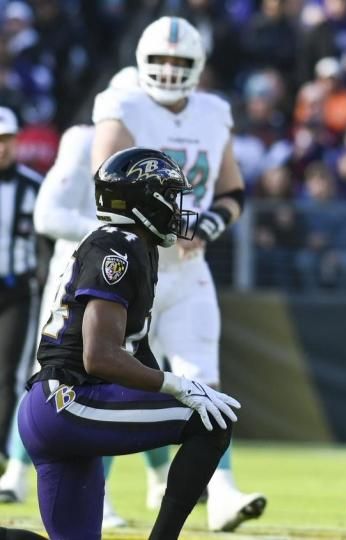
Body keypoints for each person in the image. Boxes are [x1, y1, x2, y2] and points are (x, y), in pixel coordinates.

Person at [90, 17, 263, 532]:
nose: (169, 70)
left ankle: (224, 491)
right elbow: (105, 190)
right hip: (131, 268)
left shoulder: (213, 112)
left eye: (181, 62)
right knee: (111, 380)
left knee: (204, 380)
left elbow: (233, 191)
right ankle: (95, 492)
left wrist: (206, 225)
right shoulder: (122, 104)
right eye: (161, 60)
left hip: (188, 271)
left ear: (199, 66)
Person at [20, 146, 240, 539]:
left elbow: (133, 349)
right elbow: (100, 356)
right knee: (211, 424)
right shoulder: (117, 247)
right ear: (144, 201)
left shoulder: (130, 244)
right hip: (70, 401)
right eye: (171, 197)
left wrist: (169, 385)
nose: (176, 208)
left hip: (52, 405)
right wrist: (178, 384)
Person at [0, 68, 143, 530]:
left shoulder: (156, 142)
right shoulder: (84, 141)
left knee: (126, 369)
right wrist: (109, 236)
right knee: (64, 375)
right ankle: (19, 472)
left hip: (115, 273)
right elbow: (49, 214)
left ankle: (144, 487)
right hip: (82, 279)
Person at [0, 106, 43, 464]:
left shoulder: (33, 186)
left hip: (16, 289)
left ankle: (2, 450)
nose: (1, 148)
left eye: (6, 140)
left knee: (10, 372)